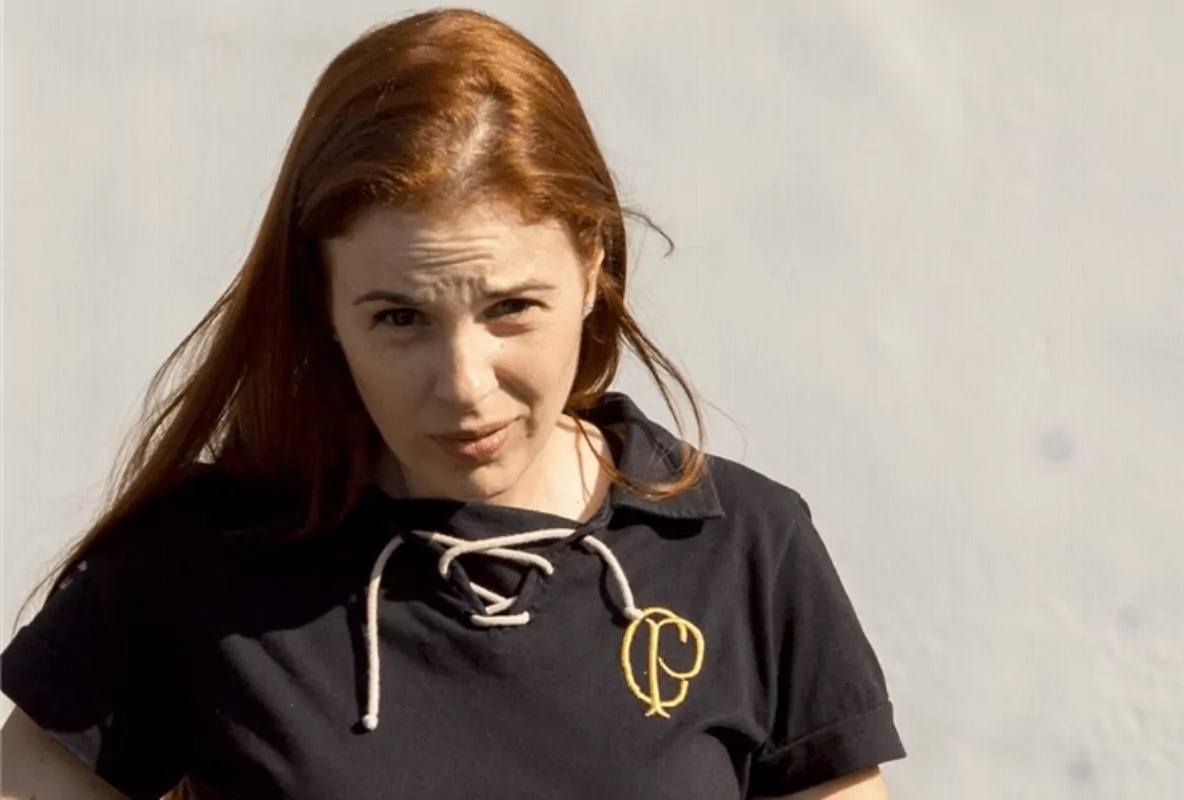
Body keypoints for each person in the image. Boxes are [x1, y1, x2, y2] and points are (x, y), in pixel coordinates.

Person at [1, 8, 905, 799]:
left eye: (511, 308)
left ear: (593, 263)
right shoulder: (193, 566)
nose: (464, 386)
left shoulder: (746, 551)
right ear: (322, 302)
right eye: (400, 318)